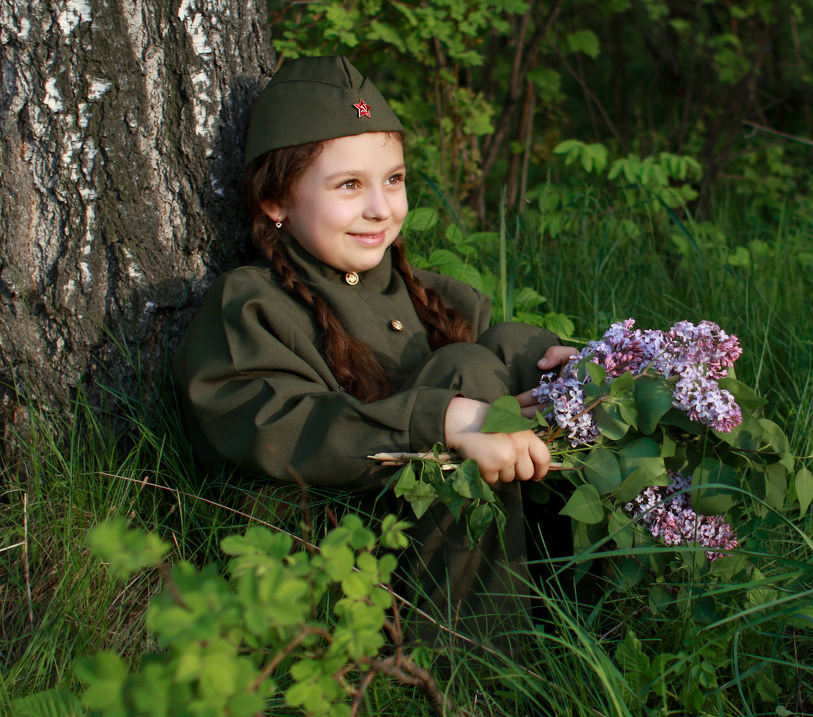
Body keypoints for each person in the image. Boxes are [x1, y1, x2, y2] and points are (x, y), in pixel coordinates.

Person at [174, 55, 575, 647]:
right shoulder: (254, 304)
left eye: (393, 179)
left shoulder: (435, 296)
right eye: (348, 185)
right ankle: (473, 667)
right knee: (465, 369)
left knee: (521, 347)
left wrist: (574, 367)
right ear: (276, 200)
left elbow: (506, 359)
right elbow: (274, 428)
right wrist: (442, 419)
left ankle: (584, 619)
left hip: (449, 551)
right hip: (344, 560)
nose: (381, 208)